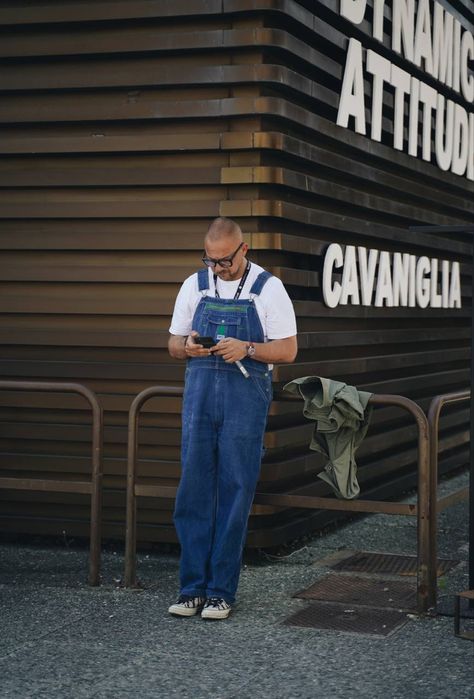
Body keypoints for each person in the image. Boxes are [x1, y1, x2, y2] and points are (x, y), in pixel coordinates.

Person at [167, 217, 297, 620]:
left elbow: (289, 350)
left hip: (245, 397)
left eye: (225, 261)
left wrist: (249, 348)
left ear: (244, 250)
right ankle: (191, 589)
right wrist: (188, 346)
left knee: (236, 488)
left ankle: (221, 591)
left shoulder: (268, 289)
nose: (218, 269)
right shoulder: (195, 284)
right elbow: (172, 343)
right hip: (201, 397)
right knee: (193, 488)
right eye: (211, 261)